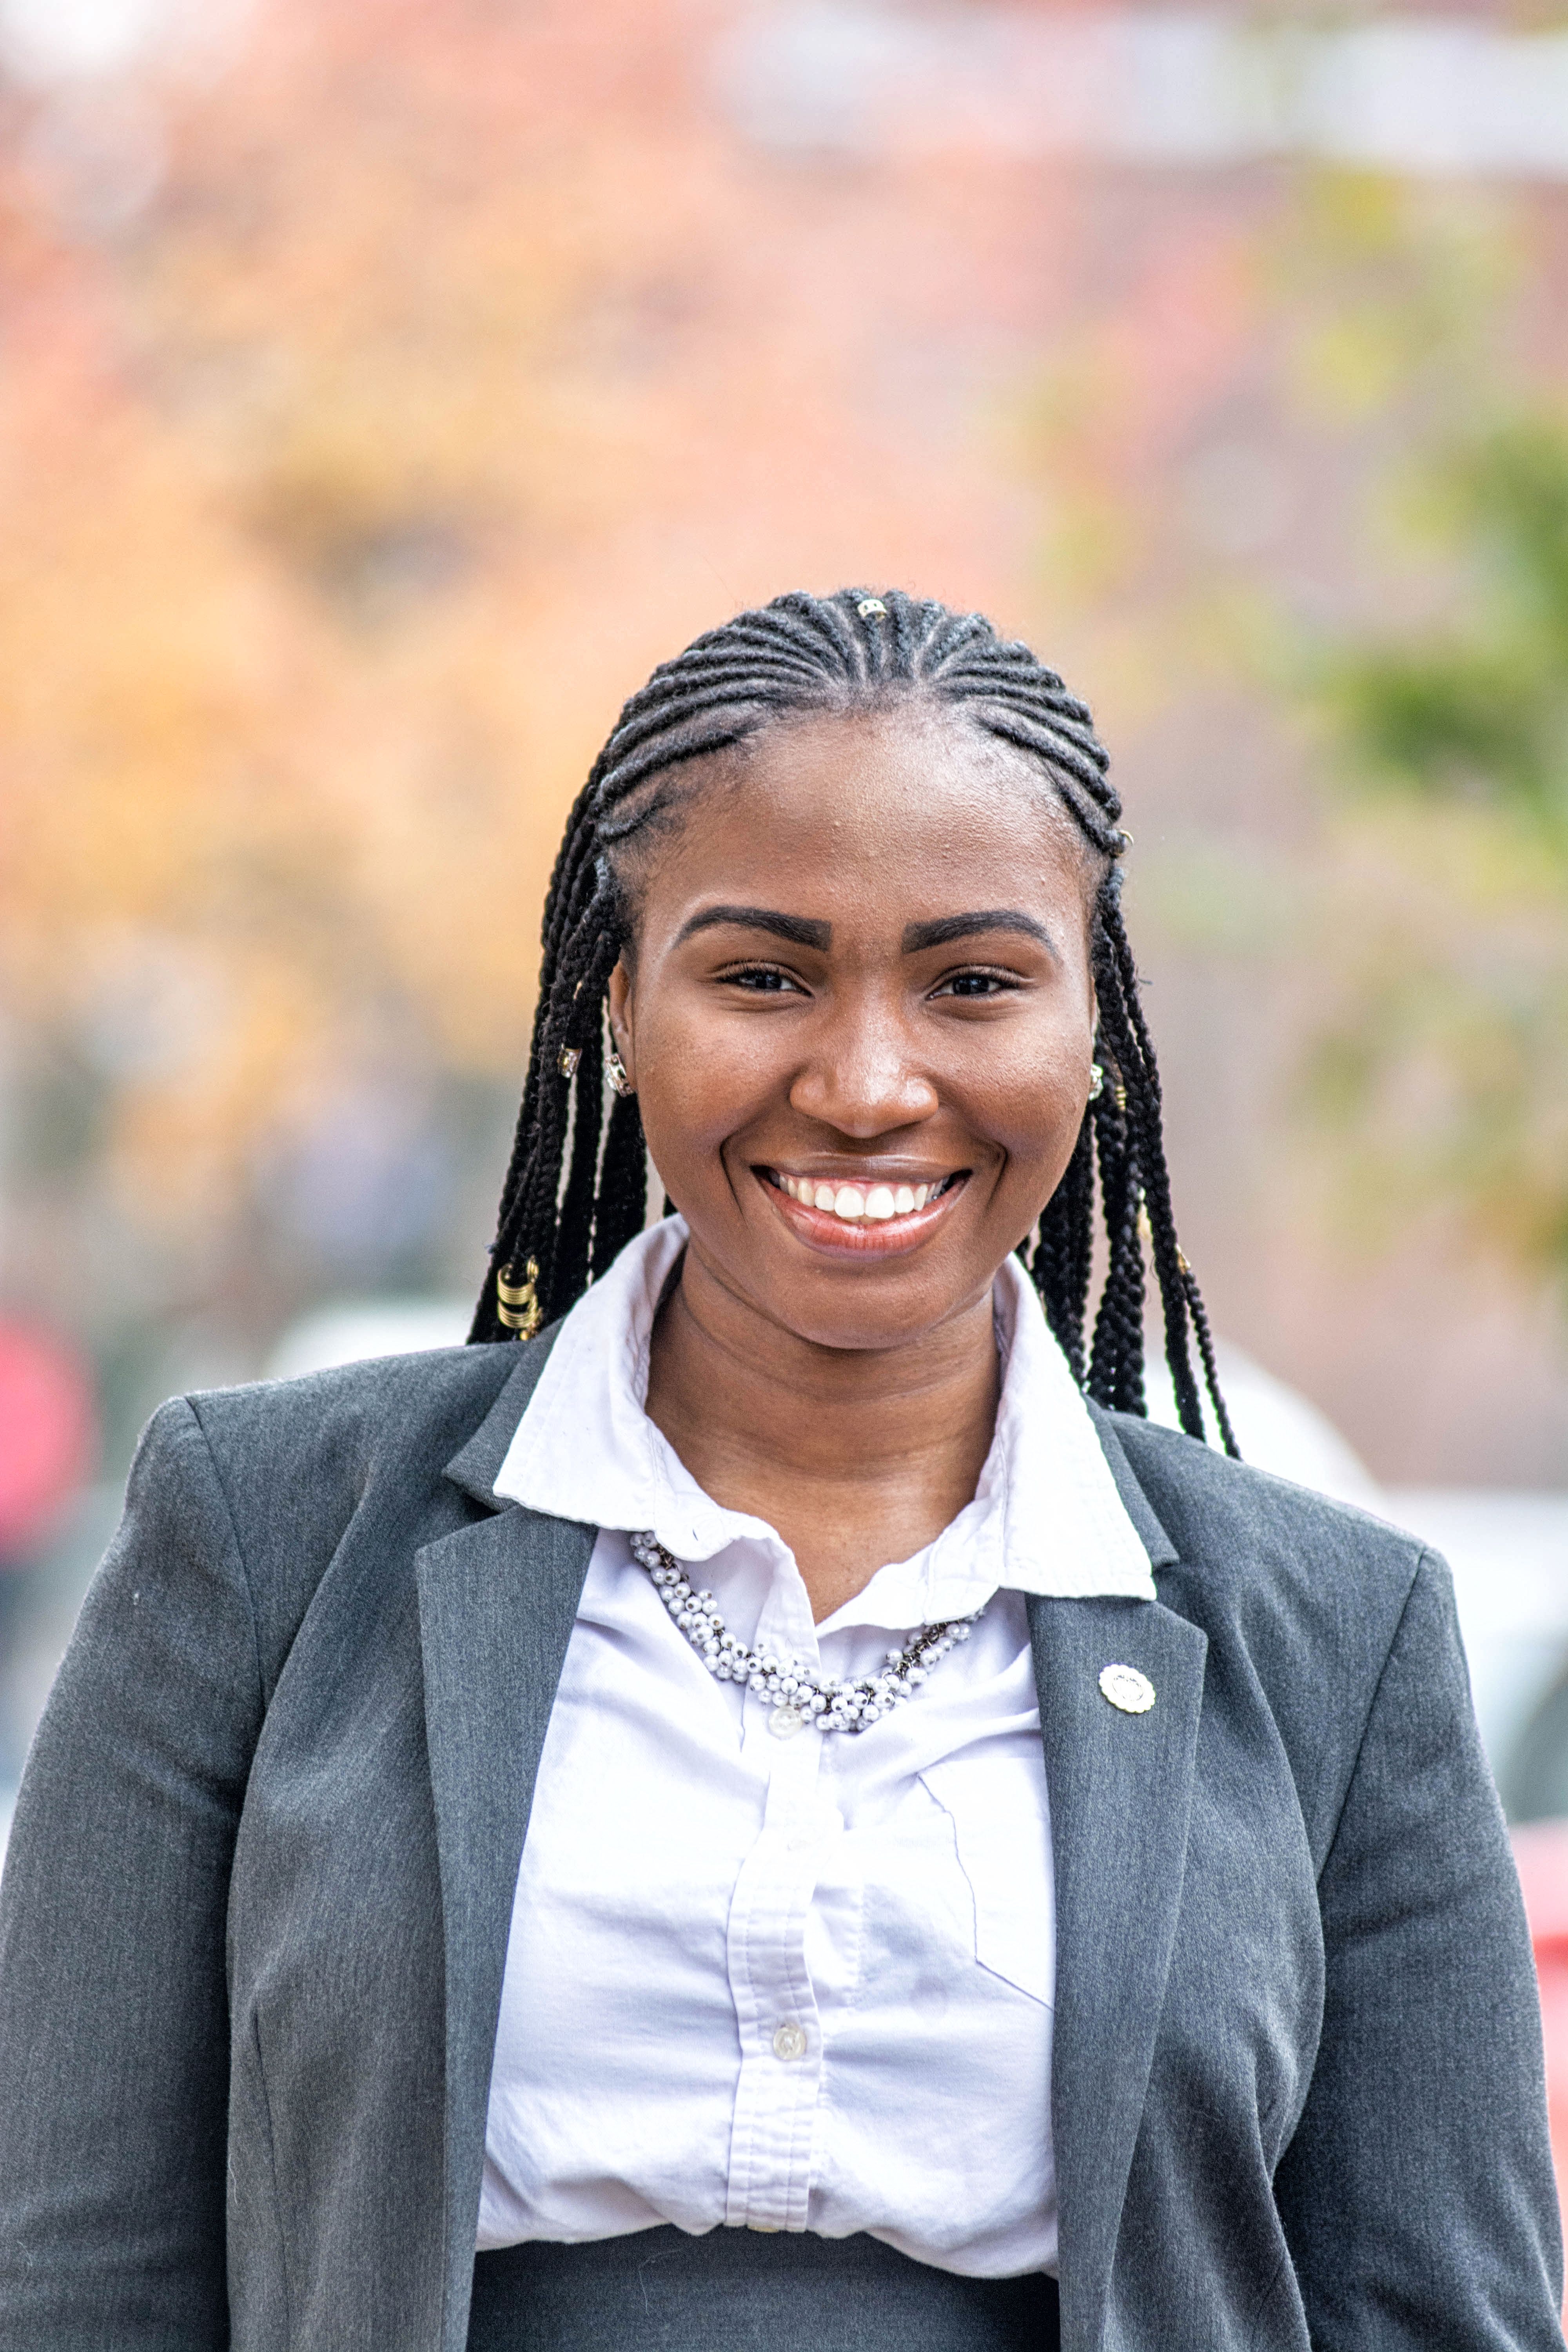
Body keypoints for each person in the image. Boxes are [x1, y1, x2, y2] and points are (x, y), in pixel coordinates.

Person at [0, 587, 1560, 2352]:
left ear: (1094, 1028)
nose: (868, 1080)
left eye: (975, 982)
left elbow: (1442, 2313)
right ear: (619, 1004)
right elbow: (76, 2277)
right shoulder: (266, 1536)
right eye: (762, 976)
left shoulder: (1336, 1640)